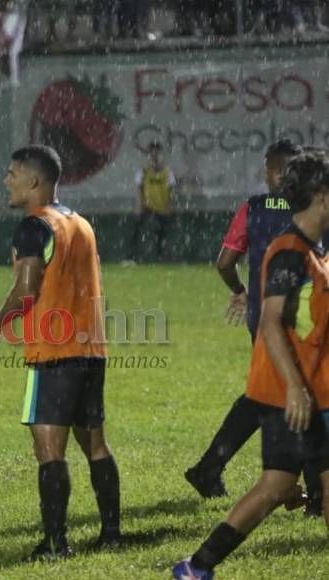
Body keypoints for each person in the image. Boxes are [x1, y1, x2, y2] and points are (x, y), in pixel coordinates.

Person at [173, 150, 329, 579]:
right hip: (288, 393)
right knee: (278, 487)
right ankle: (196, 566)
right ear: (321, 196)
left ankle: (196, 567)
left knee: (286, 486)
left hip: (307, 390)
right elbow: (272, 324)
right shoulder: (291, 254)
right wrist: (295, 387)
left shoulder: (313, 249)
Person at [0, 145, 120, 560]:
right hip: (91, 349)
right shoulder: (79, 223)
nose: (6, 181)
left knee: (49, 451)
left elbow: (27, 289)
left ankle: (56, 543)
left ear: (33, 180)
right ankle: (111, 534)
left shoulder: (34, 226)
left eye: (12, 174)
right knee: (95, 444)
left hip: (53, 353)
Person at [185, 140, 302, 499]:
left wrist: (241, 290)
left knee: (268, 393)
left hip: (263, 316)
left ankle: (210, 468)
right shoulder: (314, 206)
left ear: (271, 170)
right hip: (304, 318)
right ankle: (308, 490)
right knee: (296, 393)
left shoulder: (253, 207)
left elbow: (225, 262)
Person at [128, 142, 175, 262]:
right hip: (147, 206)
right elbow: (139, 187)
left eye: (157, 152)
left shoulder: (167, 171)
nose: (154, 155)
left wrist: (169, 205)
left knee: (162, 233)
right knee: (136, 229)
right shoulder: (144, 170)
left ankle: (161, 257)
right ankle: (132, 256)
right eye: (152, 152)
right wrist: (140, 205)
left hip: (162, 207)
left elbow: (171, 189)